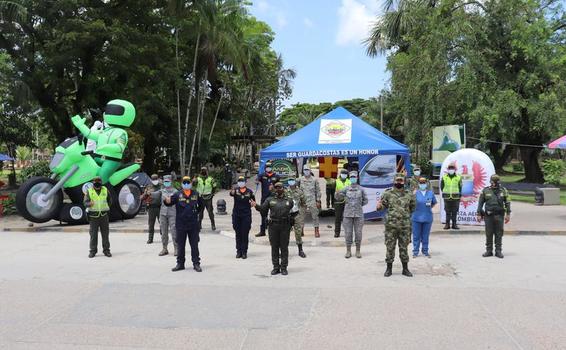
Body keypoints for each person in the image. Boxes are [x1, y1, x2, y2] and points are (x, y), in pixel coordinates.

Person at [71, 99, 135, 184]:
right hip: (99, 156)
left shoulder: (122, 133)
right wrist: (81, 125)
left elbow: (120, 147)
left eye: (113, 111)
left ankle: (110, 196)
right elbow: (89, 134)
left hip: (111, 160)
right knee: (84, 167)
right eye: (108, 111)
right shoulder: (105, 131)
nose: (107, 113)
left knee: (100, 178)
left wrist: (106, 147)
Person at [377, 173, 416, 277]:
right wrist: (379, 206)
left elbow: (413, 208)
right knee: (390, 247)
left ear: (404, 181)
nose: (399, 182)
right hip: (391, 226)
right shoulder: (387, 194)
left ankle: (405, 269)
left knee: (404, 248)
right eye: (397, 180)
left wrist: (403, 215)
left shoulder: (409, 194)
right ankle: (388, 269)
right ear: (394, 181)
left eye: (401, 180)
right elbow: (382, 206)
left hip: (405, 226)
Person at [253, 182, 294, 276]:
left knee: (284, 247)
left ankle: (284, 267)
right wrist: (255, 205)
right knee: (274, 247)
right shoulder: (269, 200)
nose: (278, 189)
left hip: (285, 226)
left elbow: (295, 211)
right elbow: (263, 209)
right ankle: (276, 267)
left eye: (280, 187)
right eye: (276, 188)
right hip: (273, 226)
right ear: (274, 189)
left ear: (283, 188)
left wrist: (291, 221)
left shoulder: (289, 200)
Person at [165, 176, 203, 272]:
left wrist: (195, 213)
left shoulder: (196, 194)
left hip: (193, 224)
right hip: (181, 224)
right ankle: (180, 264)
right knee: (181, 245)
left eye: (188, 182)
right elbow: (169, 202)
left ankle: (196, 263)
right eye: (184, 182)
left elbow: (201, 206)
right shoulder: (177, 194)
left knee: (194, 245)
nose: (186, 184)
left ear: (191, 183)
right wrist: (166, 201)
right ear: (182, 183)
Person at [477, 174, 511, 259]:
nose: (493, 183)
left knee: (499, 233)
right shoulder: (485, 190)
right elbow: (480, 203)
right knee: (489, 233)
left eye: (495, 182)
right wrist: (478, 214)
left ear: (498, 182)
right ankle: (489, 251)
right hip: (488, 216)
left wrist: (508, 214)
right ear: (490, 182)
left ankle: (498, 251)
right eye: (492, 182)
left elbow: (507, 203)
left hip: (499, 215)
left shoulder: (504, 191)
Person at [335, 171, 367, 259]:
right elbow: (337, 197)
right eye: (351, 177)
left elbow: (365, 200)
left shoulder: (361, 189)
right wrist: (338, 194)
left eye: (354, 177)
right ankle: (348, 251)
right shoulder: (346, 188)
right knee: (348, 233)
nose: (353, 178)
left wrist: (357, 205)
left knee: (358, 233)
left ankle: (358, 251)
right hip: (347, 215)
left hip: (359, 215)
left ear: (357, 178)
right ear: (350, 178)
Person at [84, 176, 113, 258]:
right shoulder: (89, 191)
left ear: (101, 182)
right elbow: (85, 203)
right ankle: (93, 251)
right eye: (95, 181)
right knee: (93, 235)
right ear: (93, 183)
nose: (97, 183)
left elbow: (110, 200)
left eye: (98, 181)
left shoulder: (105, 190)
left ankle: (106, 250)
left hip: (104, 215)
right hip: (93, 216)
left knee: (105, 234)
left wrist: (106, 208)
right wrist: (90, 204)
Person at [230, 176, 255, 259]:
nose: (241, 182)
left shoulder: (249, 191)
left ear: (245, 182)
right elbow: (231, 194)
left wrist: (253, 203)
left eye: (242, 181)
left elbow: (253, 201)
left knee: (245, 233)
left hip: (246, 215)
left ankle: (244, 252)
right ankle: (238, 251)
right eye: (239, 181)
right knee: (238, 233)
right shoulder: (236, 190)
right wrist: (232, 191)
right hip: (236, 215)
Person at [411, 177, 437, 258]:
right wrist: (412, 194)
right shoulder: (415, 193)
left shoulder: (430, 193)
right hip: (416, 217)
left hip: (427, 217)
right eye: (421, 183)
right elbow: (409, 204)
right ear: (418, 184)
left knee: (425, 235)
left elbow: (433, 203)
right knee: (416, 236)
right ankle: (415, 251)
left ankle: (425, 250)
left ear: (426, 183)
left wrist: (427, 209)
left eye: (424, 183)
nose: (422, 184)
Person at [255, 161, 280, 237]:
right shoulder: (262, 175)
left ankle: (275, 231)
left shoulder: (276, 176)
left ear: (272, 168)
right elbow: (257, 180)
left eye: (269, 167)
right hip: (265, 198)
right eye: (267, 167)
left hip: (274, 198)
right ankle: (262, 231)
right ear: (265, 168)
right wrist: (257, 181)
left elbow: (280, 186)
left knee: (275, 214)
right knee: (263, 214)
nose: (268, 168)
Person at [286, 176, 307, 258]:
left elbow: (303, 202)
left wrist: (300, 212)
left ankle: (300, 250)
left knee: (298, 233)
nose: (291, 181)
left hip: (296, 215)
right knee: (285, 233)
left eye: (292, 180)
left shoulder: (300, 191)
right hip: (287, 215)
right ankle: (284, 251)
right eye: (289, 180)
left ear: (295, 181)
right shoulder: (284, 191)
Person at [298, 164, 322, 237]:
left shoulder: (314, 180)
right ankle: (301, 230)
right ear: (303, 171)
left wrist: (318, 200)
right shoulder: (300, 179)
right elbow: (298, 190)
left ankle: (316, 230)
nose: (306, 171)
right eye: (305, 170)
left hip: (312, 200)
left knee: (315, 216)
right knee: (301, 216)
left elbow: (318, 190)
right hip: (303, 200)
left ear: (310, 170)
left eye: (308, 170)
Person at [158, 175, 177, 256]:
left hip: (173, 213)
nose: (166, 183)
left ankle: (176, 248)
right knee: (164, 232)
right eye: (165, 181)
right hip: (163, 214)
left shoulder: (176, 192)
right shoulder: (161, 191)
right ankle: (164, 248)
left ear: (171, 181)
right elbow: (153, 195)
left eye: (168, 181)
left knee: (174, 231)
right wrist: (148, 193)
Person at [440, 163, 462, 230]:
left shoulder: (458, 177)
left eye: (452, 168)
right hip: (447, 197)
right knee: (447, 211)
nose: (451, 170)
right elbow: (442, 187)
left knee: (455, 211)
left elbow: (460, 187)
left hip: (456, 197)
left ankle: (454, 224)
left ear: (455, 169)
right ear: (448, 169)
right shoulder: (444, 177)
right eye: (450, 168)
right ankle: (447, 224)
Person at [141, 174, 161, 244]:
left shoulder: (161, 186)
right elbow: (142, 198)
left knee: (162, 223)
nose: (155, 181)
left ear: (158, 179)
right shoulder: (149, 187)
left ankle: (163, 237)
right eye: (153, 179)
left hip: (160, 207)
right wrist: (146, 193)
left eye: (156, 179)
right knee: (151, 224)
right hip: (151, 208)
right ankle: (150, 238)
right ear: (151, 180)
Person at [196, 166, 217, 231]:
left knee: (210, 212)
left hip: (208, 197)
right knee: (200, 212)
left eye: (204, 170)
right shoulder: (198, 179)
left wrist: (212, 193)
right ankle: (199, 225)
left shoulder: (211, 179)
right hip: (200, 197)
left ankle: (213, 224)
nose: (203, 171)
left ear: (207, 171)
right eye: (202, 170)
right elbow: (193, 185)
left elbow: (214, 186)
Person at [333, 169, 351, 238]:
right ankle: (337, 233)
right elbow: (333, 192)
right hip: (338, 202)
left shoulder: (349, 181)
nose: (344, 175)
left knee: (347, 218)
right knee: (338, 218)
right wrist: (333, 202)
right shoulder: (336, 181)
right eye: (343, 174)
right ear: (340, 174)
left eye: (345, 174)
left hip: (347, 202)